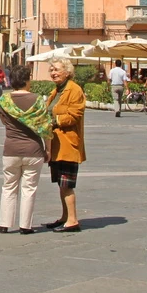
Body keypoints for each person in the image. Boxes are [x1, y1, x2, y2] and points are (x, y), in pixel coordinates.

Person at [0, 65, 52, 235]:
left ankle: (4, 224)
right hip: (33, 149)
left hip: (11, 148)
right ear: (27, 80)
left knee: (8, 186)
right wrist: (48, 150)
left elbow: (4, 121)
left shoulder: (4, 101)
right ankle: (25, 225)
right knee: (29, 188)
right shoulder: (38, 100)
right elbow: (45, 128)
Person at [45, 58, 86, 233]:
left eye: (57, 70)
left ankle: (72, 220)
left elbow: (75, 115)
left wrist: (54, 120)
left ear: (67, 72)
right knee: (61, 184)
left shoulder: (74, 90)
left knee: (67, 185)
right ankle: (65, 217)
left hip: (68, 144)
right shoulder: (57, 91)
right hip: (56, 145)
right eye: (52, 69)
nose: (53, 72)